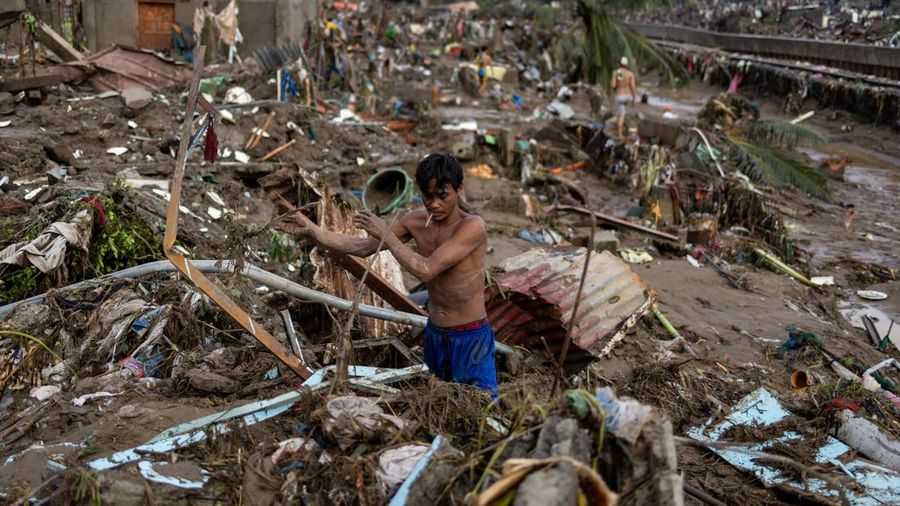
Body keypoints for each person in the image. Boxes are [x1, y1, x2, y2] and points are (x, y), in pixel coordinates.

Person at [285, 154, 498, 398]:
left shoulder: (472, 227)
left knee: (481, 407)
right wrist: (314, 231)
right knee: (441, 402)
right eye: (428, 197)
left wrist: (387, 235)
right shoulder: (416, 221)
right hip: (435, 334)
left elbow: (425, 269)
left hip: (469, 336)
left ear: (459, 189)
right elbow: (363, 247)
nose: (435, 204)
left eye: (443, 196)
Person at [610, 56, 637, 138]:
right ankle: (618, 131)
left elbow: (613, 85)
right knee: (621, 113)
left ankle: (619, 134)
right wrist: (633, 99)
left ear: (619, 64)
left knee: (620, 115)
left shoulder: (616, 72)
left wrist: (613, 83)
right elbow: (632, 87)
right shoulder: (630, 74)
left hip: (619, 96)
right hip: (627, 97)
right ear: (626, 65)